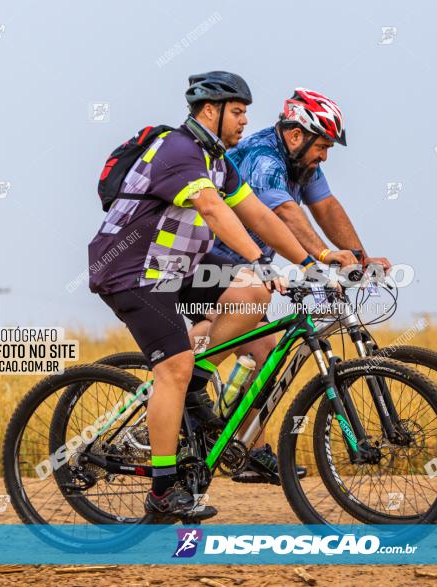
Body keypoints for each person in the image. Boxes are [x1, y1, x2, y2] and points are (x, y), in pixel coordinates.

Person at [88, 71, 316, 519]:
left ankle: (201, 396)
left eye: (247, 113)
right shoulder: (178, 149)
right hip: (133, 271)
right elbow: (212, 209)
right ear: (209, 111)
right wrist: (260, 261)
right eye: (238, 112)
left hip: (178, 268)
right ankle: (162, 491)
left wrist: (315, 260)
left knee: (253, 305)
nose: (245, 121)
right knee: (173, 365)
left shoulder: (218, 161)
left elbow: (261, 216)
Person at [190, 88, 392, 484]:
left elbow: (327, 207)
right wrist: (321, 256)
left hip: (245, 273)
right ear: (296, 135)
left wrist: (358, 257)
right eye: (322, 146)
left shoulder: (302, 165)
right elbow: (284, 211)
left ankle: (246, 448)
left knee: (264, 352)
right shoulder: (263, 158)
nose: (325, 156)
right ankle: (182, 395)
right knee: (224, 336)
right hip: (203, 266)